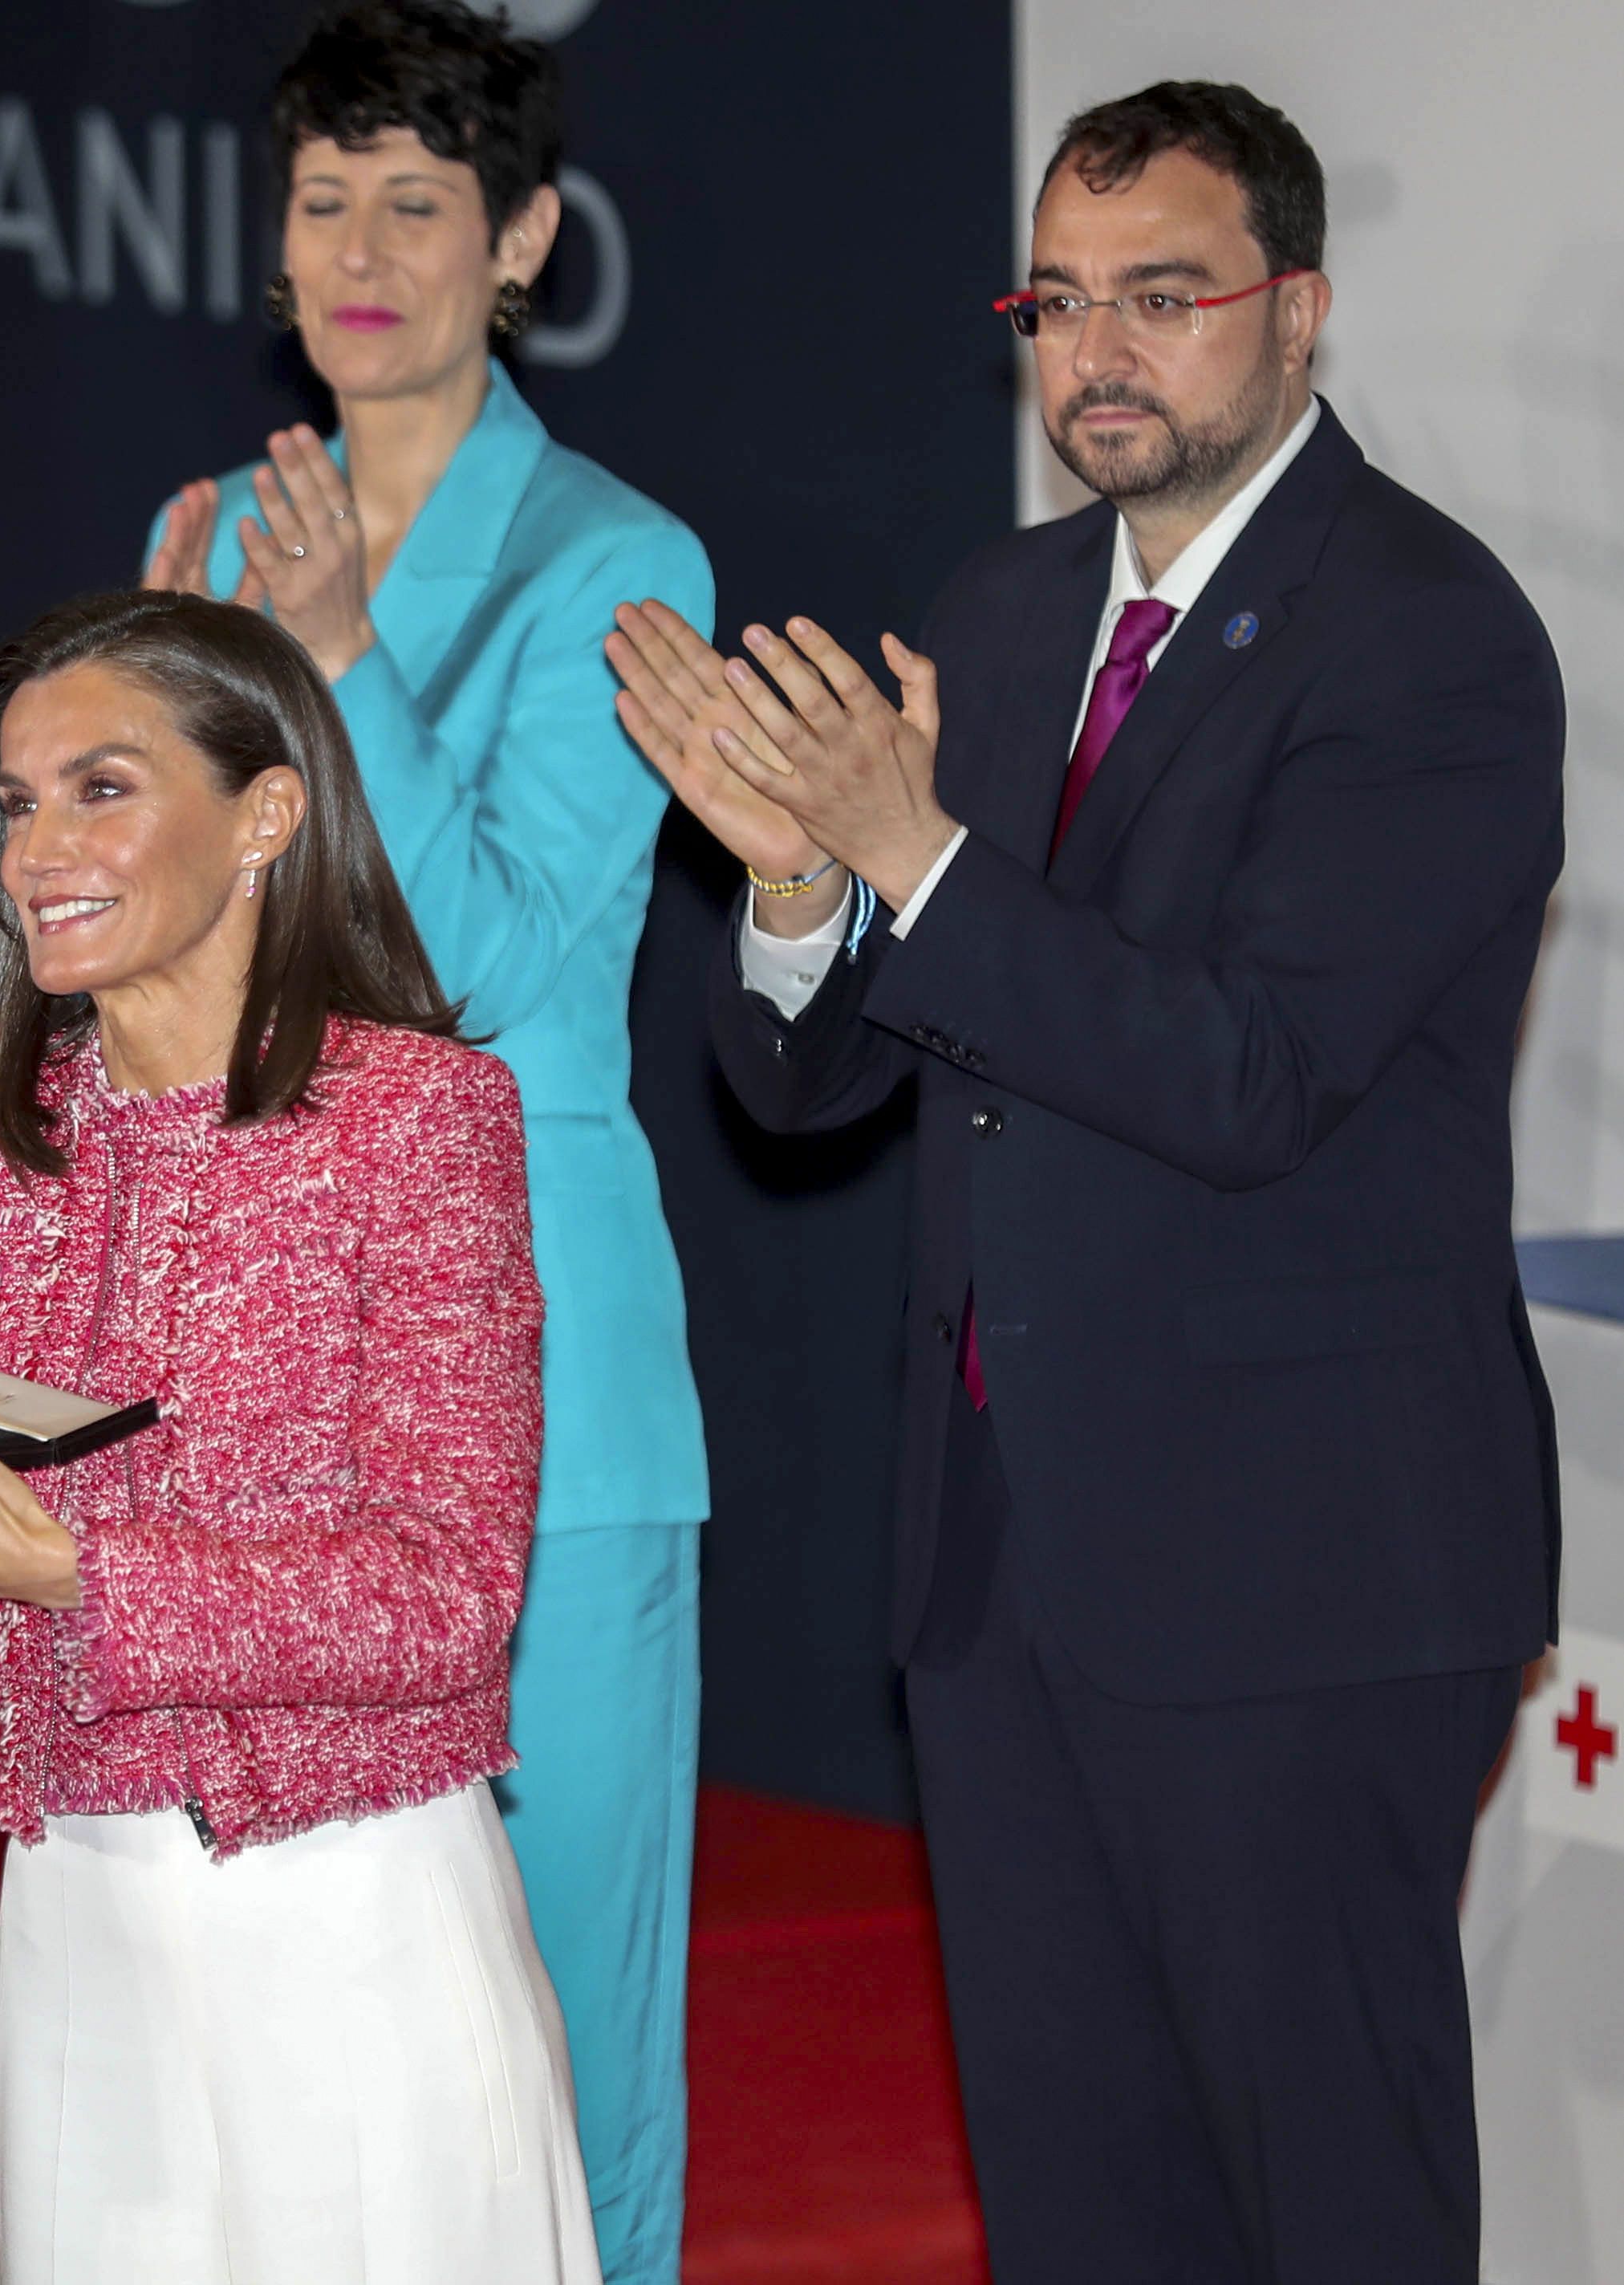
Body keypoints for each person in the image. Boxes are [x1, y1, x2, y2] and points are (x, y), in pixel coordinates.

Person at [608, 81, 1560, 2285]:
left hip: (1301, 1571)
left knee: (1323, 2196)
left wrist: (908, 854)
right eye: (1059, 302)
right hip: (1005, 1554)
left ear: (1298, 314)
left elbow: (1252, 1076)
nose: (1098, 352)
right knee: (1074, 2198)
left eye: (1167, 297)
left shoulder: (1425, 636)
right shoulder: (1009, 604)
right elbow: (814, 1082)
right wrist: (787, 892)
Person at [0, 588, 600, 2284]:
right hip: (78, 1926)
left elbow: (447, 1593)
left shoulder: (422, 1120)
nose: (34, 844)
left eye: (101, 786)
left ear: (266, 812)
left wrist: (66, 1568)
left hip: (355, 1916)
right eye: (12, 798)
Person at [140, 7, 710, 2273]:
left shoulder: (617, 552)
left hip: (546, 1368)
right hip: (263, 1379)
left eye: (415, 204)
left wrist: (346, 658)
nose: (360, 251)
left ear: (525, 243)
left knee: (569, 2026)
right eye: (320, 201)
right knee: (295, 2026)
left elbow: (487, 977)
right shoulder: (196, 525)